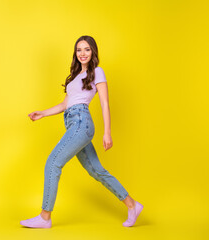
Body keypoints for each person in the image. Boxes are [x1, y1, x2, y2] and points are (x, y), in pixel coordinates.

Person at [20, 35, 143, 228]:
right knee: (96, 170)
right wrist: (43, 113)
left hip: (81, 123)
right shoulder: (75, 77)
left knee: (53, 163)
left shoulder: (98, 72)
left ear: (93, 51)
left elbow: (104, 103)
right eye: (79, 50)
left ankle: (44, 217)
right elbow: (65, 104)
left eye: (86, 49)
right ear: (75, 53)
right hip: (73, 123)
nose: (82, 53)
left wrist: (107, 132)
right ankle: (132, 205)